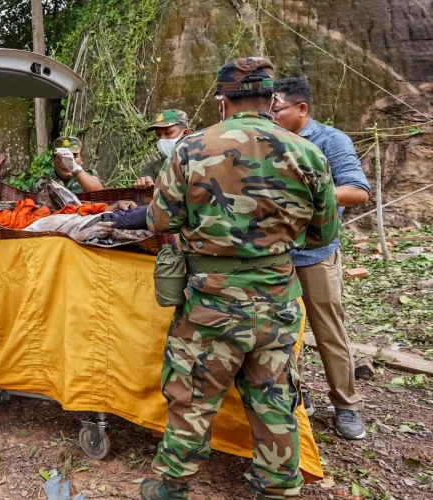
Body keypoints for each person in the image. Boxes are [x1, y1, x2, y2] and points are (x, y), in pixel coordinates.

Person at [143, 58, 339, 500]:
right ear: (271, 100)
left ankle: (171, 486)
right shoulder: (307, 152)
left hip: (212, 302)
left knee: (193, 394)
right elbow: (324, 233)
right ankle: (277, 486)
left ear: (221, 102)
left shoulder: (190, 149)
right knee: (275, 397)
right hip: (278, 298)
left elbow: (159, 221)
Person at [273, 77, 371, 440]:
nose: (271, 116)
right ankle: (299, 395)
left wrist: (307, 194)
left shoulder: (330, 140)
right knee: (283, 331)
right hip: (275, 255)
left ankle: (347, 404)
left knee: (328, 330)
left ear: (302, 109)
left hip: (315, 255)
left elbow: (357, 191)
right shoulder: (269, 141)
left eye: (277, 109)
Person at [135, 109, 192, 190]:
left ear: (185, 133)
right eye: (158, 135)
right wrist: (144, 183)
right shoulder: (151, 168)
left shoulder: (199, 161)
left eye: (168, 133)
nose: (162, 139)